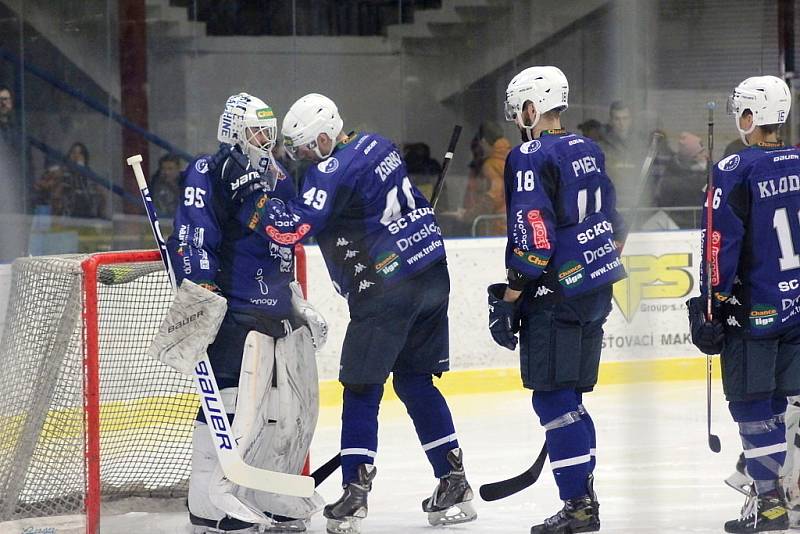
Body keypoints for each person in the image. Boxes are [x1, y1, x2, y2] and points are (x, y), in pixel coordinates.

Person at [222, 92, 477, 534]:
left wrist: (253, 204)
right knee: (416, 381)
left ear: (323, 137)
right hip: (433, 276)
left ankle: (355, 493)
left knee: (361, 388)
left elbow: (292, 229)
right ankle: (452, 479)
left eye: (304, 147)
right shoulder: (377, 144)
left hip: (387, 289)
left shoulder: (330, 169)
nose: (301, 156)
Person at [165, 92, 324, 534]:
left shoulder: (275, 175)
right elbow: (195, 232)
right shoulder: (208, 170)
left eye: (268, 132)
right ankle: (207, 499)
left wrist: (295, 297)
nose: (264, 139)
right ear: (234, 130)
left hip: (273, 307)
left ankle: (264, 491)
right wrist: (202, 289)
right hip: (233, 306)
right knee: (231, 400)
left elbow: (285, 241)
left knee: (278, 404)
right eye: (256, 130)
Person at [487, 66, 627, 534]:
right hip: (595, 286)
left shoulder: (529, 155)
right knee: (570, 400)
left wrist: (510, 297)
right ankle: (583, 498)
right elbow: (615, 222)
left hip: (556, 294)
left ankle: (578, 505)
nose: (518, 120)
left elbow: (535, 240)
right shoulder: (589, 147)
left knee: (552, 400)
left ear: (531, 108)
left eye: (519, 110)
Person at [687, 75, 798, 533]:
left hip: (755, 311)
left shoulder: (734, 169)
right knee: (780, 403)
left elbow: (719, 243)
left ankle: (769, 504)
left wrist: (711, 301)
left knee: (753, 407)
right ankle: (778, 498)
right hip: (796, 308)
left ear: (750, 117)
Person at [151, 153, 183, 218]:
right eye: (163, 169)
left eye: (170, 169)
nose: (166, 172)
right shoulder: (154, 185)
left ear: (178, 169)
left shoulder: (187, 184)